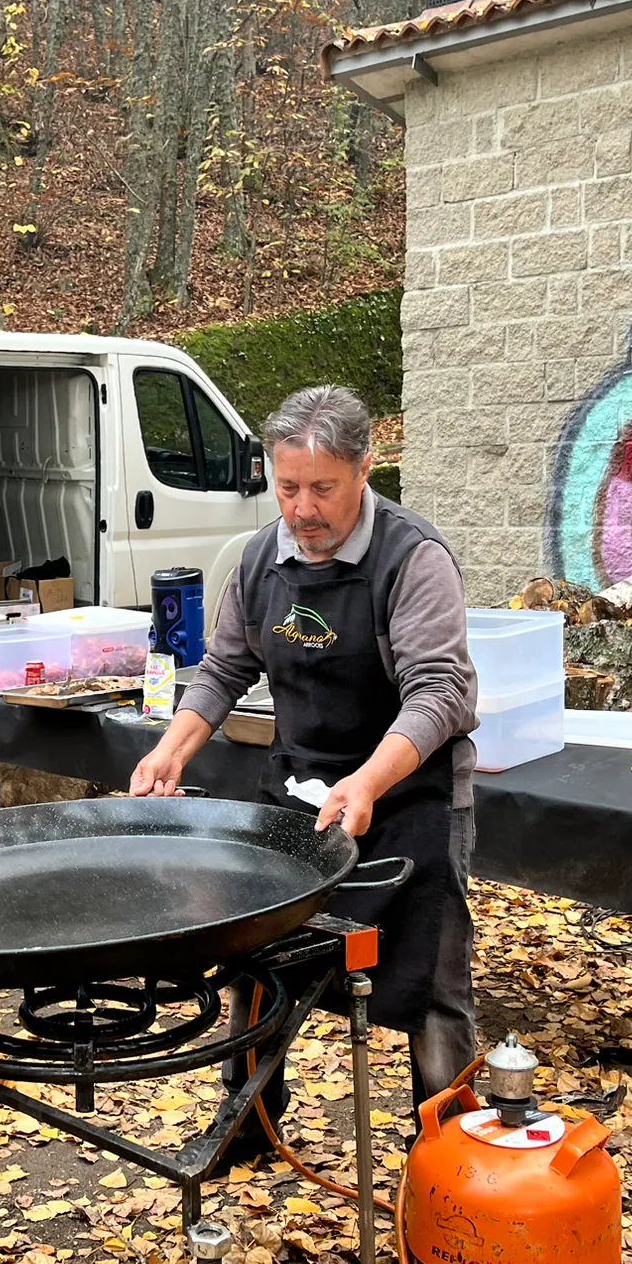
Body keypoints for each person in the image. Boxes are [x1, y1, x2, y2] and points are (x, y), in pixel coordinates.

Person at [130, 384, 479, 1144]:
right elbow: (224, 668)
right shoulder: (261, 559)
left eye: (322, 488)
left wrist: (368, 782)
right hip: (299, 786)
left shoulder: (412, 558)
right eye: (287, 487)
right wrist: (170, 749)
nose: (303, 508)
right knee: (257, 956)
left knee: (433, 981)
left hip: (410, 792)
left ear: (365, 469)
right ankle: (247, 1120)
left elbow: (440, 692)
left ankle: (450, 1150)